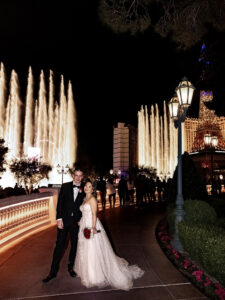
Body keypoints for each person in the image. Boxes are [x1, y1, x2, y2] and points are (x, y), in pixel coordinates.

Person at [75, 180, 144, 290]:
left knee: (93, 248)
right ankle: (87, 272)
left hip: (91, 225)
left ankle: (95, 275)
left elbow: (94, 214)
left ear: (92, 189)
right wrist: (80, 221)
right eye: (86, 186)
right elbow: (84, 213)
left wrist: (93, 228)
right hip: (84, 224)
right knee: (85, 248)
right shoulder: (84, 199)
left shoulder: (92, 199)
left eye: (89, 186)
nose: (87, 188)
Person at [42, 167, 85, 283]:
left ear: (82, 177)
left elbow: (87, 206)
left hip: (76, 223)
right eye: (76, 175)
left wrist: (82, 219)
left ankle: (71, 267)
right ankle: (52, 272)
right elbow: (60, 203)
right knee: (59, 246)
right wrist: (59, 219)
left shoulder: (85, 188)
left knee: (74, 245)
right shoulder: (65, 186)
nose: (78, 178)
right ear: (73, 175)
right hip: (64, 221)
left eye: (80, 175)